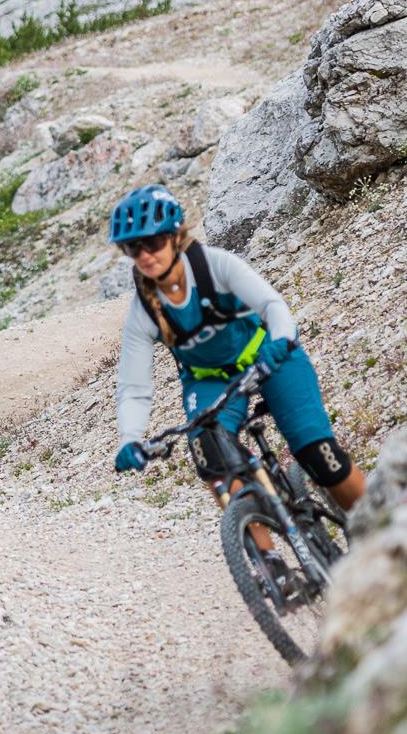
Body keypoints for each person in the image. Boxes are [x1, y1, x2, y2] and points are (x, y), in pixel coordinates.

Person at [110, 185, 365, 542]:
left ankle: (384, 531)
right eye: (132, 248)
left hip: (270, 357)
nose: (145, 255)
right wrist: (130, 439)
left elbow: (273, 306)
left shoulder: (215, 266)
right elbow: (134, 387)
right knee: (215, 465)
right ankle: (270, 569)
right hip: (210, 381)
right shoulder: (144, 311)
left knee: (317, 451)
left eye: (152, 243)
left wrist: (279, 341)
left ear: (174, 236)